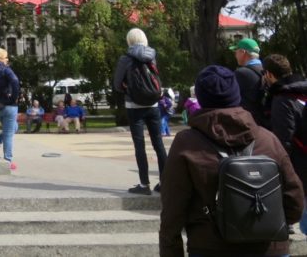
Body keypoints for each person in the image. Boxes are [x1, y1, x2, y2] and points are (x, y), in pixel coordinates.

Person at [158, 65, 304, 256]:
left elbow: (172, 208)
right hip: (269, 247)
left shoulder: (187, 144)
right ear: (237, 96)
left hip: (210, 246)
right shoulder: (268, 140)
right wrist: (266, 223)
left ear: (201, 98)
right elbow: (295, 198)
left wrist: (171, 251)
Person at [113, 27, 167, 195]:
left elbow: (117, 85)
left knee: (140, 146)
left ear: (129, 40)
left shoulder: (125, 59)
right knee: (158, 144)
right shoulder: (152, 56)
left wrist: (129, 90)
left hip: (134, 107)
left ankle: (144, 185)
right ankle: (165, 183)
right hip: (153, 105)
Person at [261, 53, 307, 235]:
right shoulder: (302, 91)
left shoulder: (282, 99)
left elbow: (283, 140)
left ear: (270, 75)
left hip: (301, 167)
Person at [229, 37, 266, 127]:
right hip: (266, 122)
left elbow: (231, 100)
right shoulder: (266, 70)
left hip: (249, 124)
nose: (235, 55)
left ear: (243, 52)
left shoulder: (241, 73)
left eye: (236, 51)